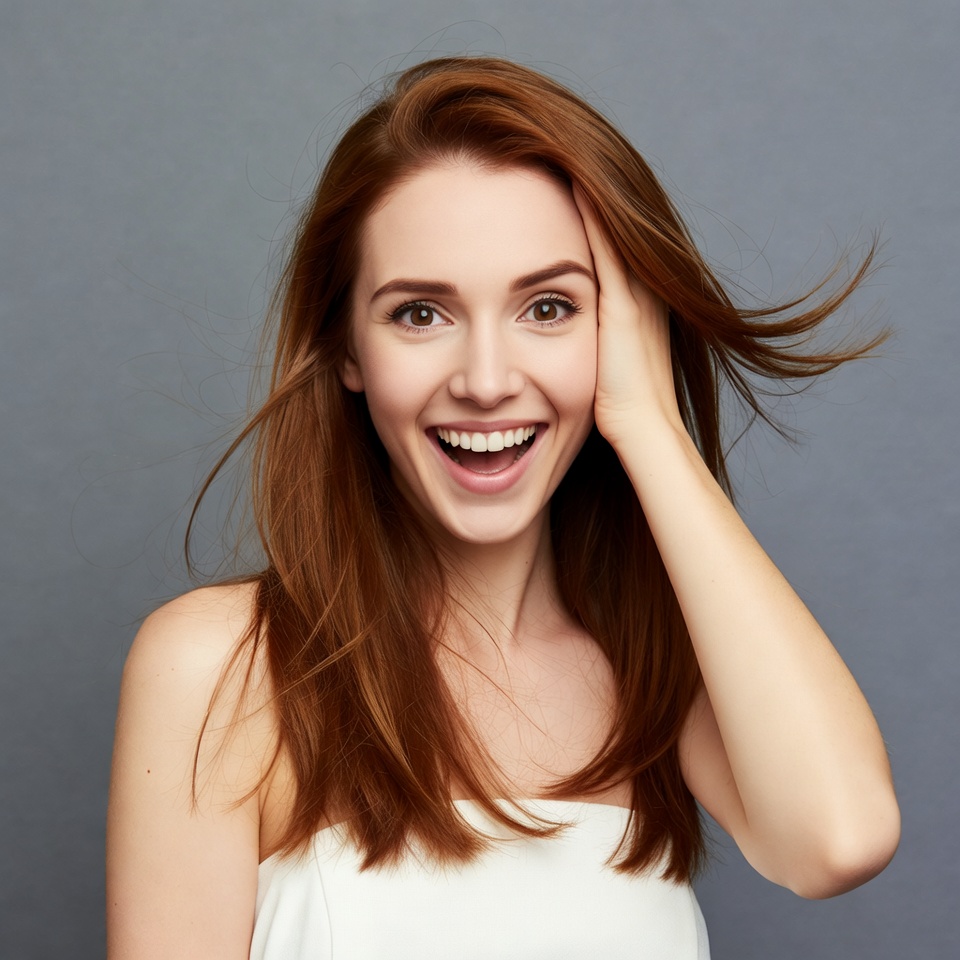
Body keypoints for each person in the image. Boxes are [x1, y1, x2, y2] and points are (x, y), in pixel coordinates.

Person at [106, 57, 900, 959]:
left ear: (620, 330)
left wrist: (649, 423)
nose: (486, 382)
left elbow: (840, 840)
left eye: (549, 307)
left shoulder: (663, 667)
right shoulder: (224, 668)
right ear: (345, 350)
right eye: (420, 315)